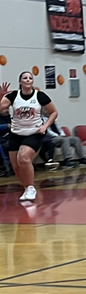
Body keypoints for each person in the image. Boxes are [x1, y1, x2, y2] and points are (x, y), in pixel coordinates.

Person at [0, 71, 58, 201]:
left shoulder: (40, 96)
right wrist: (1, 96)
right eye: (25, 78)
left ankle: (31, 187)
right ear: (20, 81)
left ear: (32, 81)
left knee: (24, 158)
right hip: (16, 133)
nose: (28, 80)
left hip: (34, 133)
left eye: (30, 78)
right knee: (16, 166)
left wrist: (45, 126)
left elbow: (54, 112)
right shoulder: (13, 95)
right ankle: (27, 188)